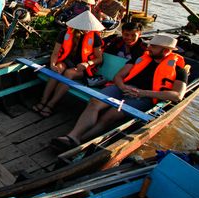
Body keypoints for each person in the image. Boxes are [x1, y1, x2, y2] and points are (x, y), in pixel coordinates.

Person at [52, 34, 187, 150]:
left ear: (166, 50)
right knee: (94, 102)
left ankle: (79, 140)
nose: (149, 48)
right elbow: (118, 76)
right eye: (150, 45)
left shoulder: (179, 70)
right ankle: (73, 136)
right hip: (123, 88)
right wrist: (122, 87)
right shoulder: (140, 58)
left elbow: (177, 95)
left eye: (153, 47)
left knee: (110, 116)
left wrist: (143, 93)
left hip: (144, 97)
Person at [33, 11, 104, 117]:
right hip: (67, 61)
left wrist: (88, 63)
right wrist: (53, 64)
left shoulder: (95, 38)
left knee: (69, 73)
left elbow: (99, 59)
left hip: (83, 67)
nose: (85, 29)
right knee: (58, 69)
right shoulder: (64, 34)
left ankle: (51, 104)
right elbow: (56, 52)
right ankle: (43, 100)